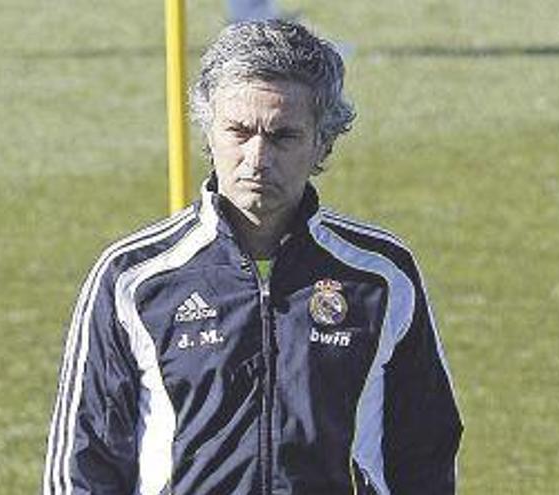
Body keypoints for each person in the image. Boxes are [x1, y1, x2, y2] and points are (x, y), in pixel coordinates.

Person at [41, 20, 462, 495]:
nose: (257, 157)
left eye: (283, 136)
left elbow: (425, 448)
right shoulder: (131, 278)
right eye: (239, 132)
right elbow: (85, 458)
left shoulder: (380, 274)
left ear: (323, 141)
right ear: (209, 132)